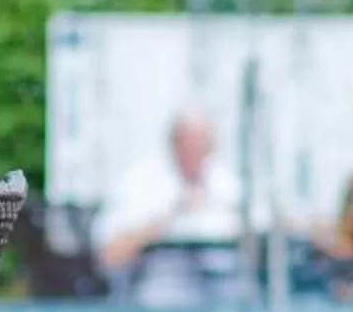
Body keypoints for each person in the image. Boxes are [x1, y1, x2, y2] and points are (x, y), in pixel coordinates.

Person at [93, 109, 246, 271]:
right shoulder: (139, 184)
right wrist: (170, 217)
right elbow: (108, 255)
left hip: (224, 286)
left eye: (201, 143)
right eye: (188, 142)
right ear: (173, 143)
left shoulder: (229, 186)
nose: (195, 150)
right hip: (161, 284)